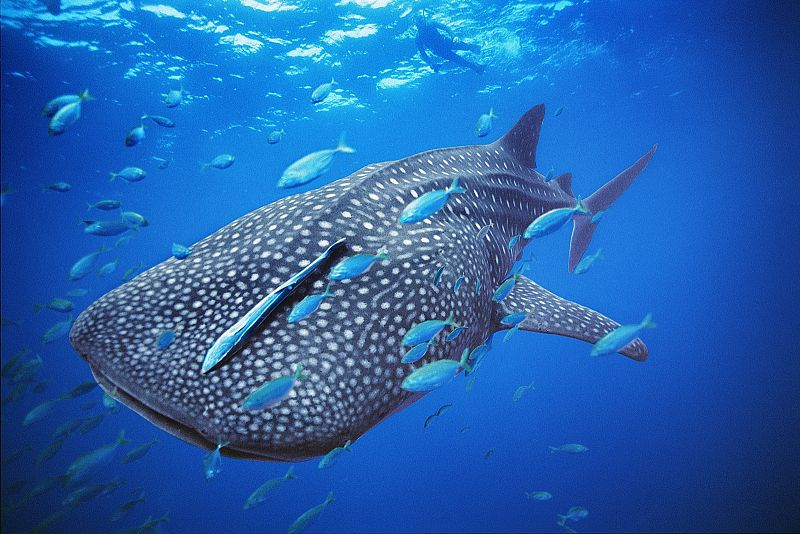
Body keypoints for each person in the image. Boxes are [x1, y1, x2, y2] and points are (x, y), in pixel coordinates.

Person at [414, 13, 485, 74]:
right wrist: (431, 64)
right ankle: (477, 68)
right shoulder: (418, 38)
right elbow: (423, 53)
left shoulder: (430, 23)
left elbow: (445, 27)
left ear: (424, 20)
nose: (421, 24)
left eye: (422, 21)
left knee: (465, 47)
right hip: (440, 51)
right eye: (419, 23)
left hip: (445, 42)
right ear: (416, 25)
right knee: (459, 60)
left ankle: (481, 50)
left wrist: (454, 36)